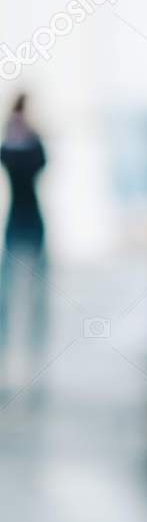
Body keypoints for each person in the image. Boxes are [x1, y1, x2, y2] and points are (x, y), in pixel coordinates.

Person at [0, 94, 48, 361]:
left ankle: (25, 337)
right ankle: (15, 337)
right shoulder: (18, 144)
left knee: (25, 282)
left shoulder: (16, 144)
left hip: (23, 217)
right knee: (15, 283)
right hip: (25, 216)